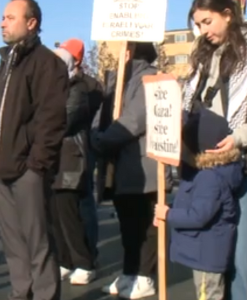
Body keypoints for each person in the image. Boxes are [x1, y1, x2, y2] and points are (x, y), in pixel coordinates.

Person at [181, 0, 247, 300]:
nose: (204, 32)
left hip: (246, 164)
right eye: (198, 25)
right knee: (210, 253)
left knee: (242, 253)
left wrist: (240, 136)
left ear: (228, 14)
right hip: (207, 167)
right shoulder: (203, 56)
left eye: (208, 22)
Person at [0, 0, 69, 300]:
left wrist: (36, 165)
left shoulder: (47, 64)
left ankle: (44, 295)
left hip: (28, 170)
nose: (2, 22)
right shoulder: (6, 63)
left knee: (37, 243)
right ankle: (21, 293)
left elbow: (51, 120)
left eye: (10, 17)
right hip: (0, 167)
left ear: (31, 24)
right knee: (14, 242)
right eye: (3, 17)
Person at [90, 42, 170, 299]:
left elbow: (134, 120)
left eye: (121, 49)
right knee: (128, 225)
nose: (115, 54)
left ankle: (145, 277)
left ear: (132, 51)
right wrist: (95, 134)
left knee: (145, 224)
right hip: (120, 164)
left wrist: (102, 140)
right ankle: (129, 272)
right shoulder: (117, 80)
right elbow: (102, 114)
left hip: (144, 166)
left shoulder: (150, 78)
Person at [155, 108, 244, 300]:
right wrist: (168, 211)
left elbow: (198, 215)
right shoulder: (216, 172)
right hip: (208, 254)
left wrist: (168, 214)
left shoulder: (209, 178)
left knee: (208, 295)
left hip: (207, 258)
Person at [50, 48, 96, 285]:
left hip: (70, 159)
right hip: (52, 161)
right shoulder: (48, 90)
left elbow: (63, 121)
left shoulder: (77, 89)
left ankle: (84, 263)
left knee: (70, 216)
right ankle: (65, 261)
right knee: (56, 217)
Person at [58, 38, 103, 260]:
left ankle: (88, 251)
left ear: (75, 60)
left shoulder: (88, 86)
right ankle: (69, 255)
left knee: (84, 206)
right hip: (66, 151)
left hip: (82, 149)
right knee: (64, 209)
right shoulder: (62, 83)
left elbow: (73, 119)